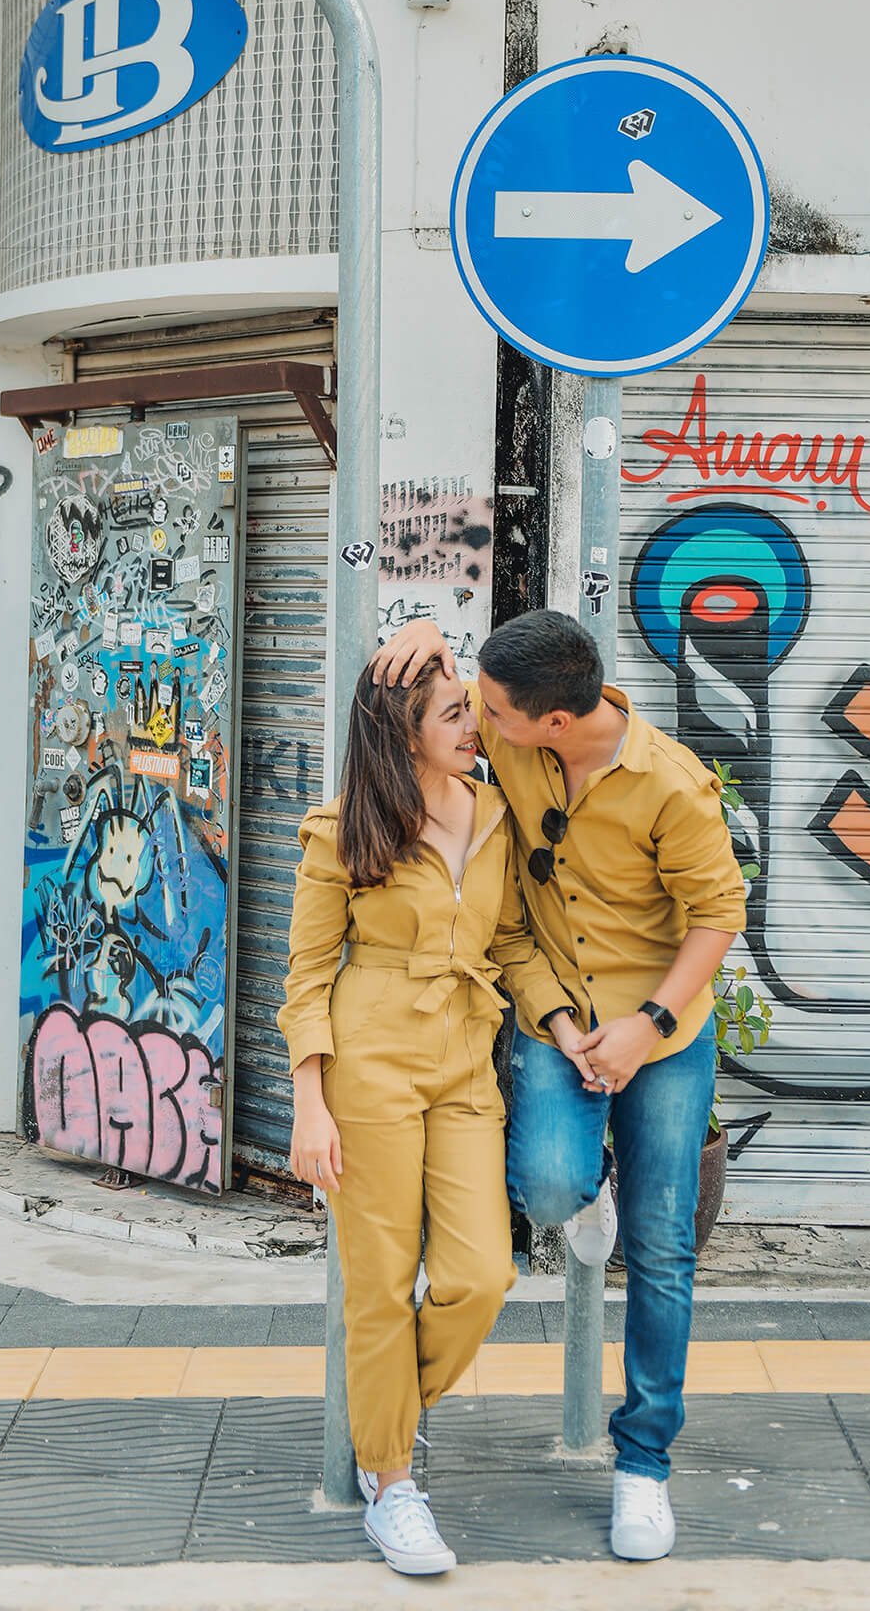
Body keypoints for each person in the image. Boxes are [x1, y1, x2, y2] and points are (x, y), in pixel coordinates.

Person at [374, 609, 745, 1562]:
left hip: (660, 1029)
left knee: (662, 1251)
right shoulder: (519, 739)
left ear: (551, 723)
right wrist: (423, 622)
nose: (476, 724)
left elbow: (717, 917)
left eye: (489, 711)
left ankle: (643, 1466)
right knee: (544, 1186)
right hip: (556, 1013)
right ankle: (585, 1192)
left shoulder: (670, 787)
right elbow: (438, 704)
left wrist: (647, 1027)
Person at [278, 655, 578, 1576]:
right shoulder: (344, 830)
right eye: (452, 713)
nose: (471, 727)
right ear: (403, 729)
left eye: (467, 712)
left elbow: (516, 941)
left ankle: (382, 1418)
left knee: (483, 1273)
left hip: (463, 1059)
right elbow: (304, 979)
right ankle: (391, 1484)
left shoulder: (493, 814)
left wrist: (563, 1025)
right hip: (369, 1063)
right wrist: (309, 1106)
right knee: (379, 1281)